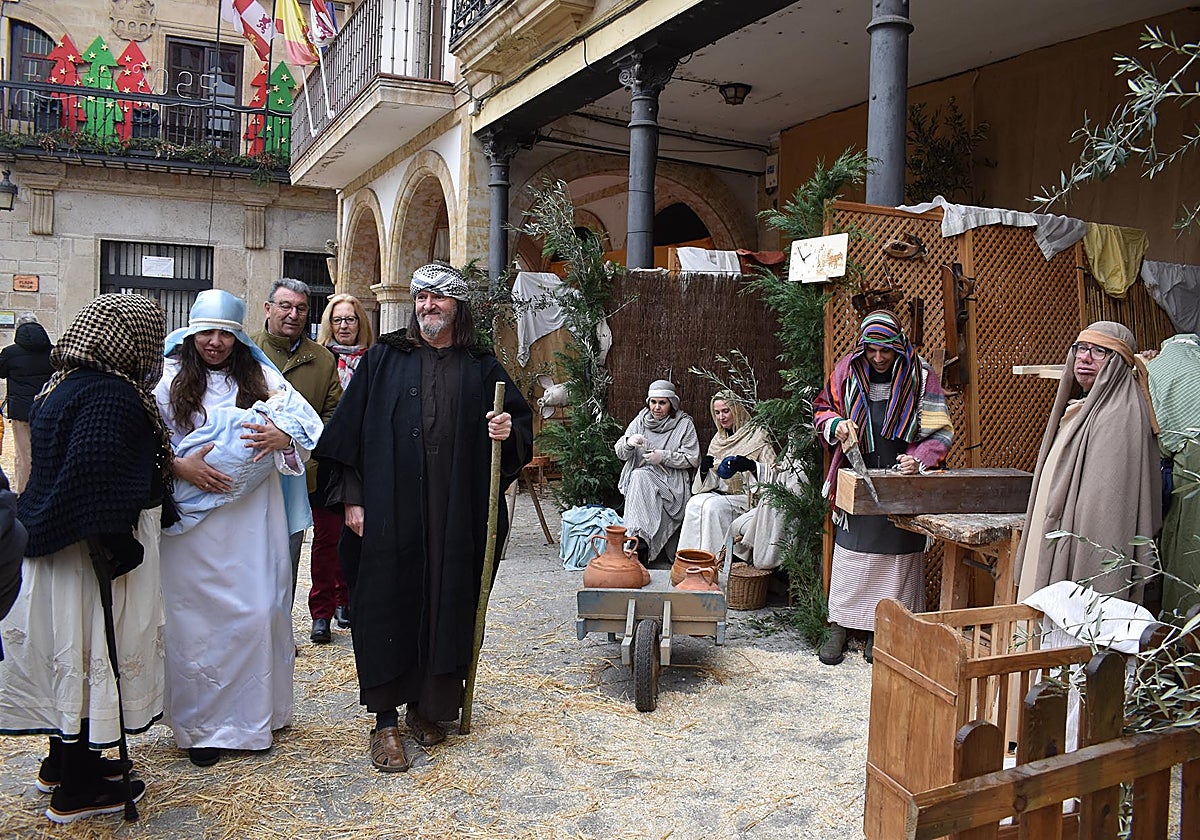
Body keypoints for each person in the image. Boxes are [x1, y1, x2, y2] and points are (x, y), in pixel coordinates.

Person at [314, 263, 532, 773]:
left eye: (438, 298)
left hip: (454, 516)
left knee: (445, 601)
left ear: (458, 307)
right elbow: (346, 435)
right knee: (387, 605)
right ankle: (385, 722)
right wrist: (351, 499)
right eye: (421, 297)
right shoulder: (385, 359)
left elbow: (518, 425)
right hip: (388, 512)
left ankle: (427, 708)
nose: (428, 305)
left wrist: (506, 429)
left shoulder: (481, 364)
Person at [0, 294, 172, 823]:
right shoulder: (112, 394)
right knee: (87, 651)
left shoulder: (65, 383)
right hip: (86, 553)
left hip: (63, 545)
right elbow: (94, 466)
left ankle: (65, 759)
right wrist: (114, 535)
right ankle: (75, 787)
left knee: (71, 653)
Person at [156, 290, 320, 768]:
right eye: (205, 332)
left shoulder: (261, 376)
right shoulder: (166, 383)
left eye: (224, 333)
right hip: (193, 528)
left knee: (256, 611)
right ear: (190, 334)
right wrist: (179, 467)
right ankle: (203, 727)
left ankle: (253, 719)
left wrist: (281, 436)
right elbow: (145, 440)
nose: (214, 342)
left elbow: (302, 425)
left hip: (252, 519)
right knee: (198, 623)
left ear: (237, 336)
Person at [813, 310, 953, 665]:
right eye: (872, 350)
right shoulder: (846, 371)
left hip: (901, 482)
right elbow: (821, 410)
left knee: (896, 557)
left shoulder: (921, 377)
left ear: (899, 348)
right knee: (851, 554)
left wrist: (918, 460)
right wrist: (838, 425)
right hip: (856, 478)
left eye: (886, 352)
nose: (878, 358)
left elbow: (940, 431)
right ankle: (840, 626)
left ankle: (883, 630)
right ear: (863, 347)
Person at [1014, 321, 1161, 604]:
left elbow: (1104, 520)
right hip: (1054, 535)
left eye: (1099, 352)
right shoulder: (1084, 408)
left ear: (1118, 362)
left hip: (1078, 552)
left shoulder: (1120, 416)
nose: (1085, 358)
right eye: (1081, 349)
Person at [252, 278, 342, 618]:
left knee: (285, 562)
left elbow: (334, 416)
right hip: (251, 475)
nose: (293, 314)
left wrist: (296, 441)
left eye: (301, 308)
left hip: (298, 478)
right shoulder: (246, 352)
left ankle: (278, 633)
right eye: (285, 306)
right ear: (268, 308)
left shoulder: (321, 359)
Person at [306, 294, 375, 642]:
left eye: (350, 319)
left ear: (360, 322)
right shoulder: (320, 361)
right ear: (329, 324)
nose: (344, 326)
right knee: (326, 538)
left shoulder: (374, 361)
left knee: (358, 536)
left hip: (363, 463)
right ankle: (321, 610)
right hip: (327, 461)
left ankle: (347, 600)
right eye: (338, 320)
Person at [678, 392, 795, 569]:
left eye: (726, 411)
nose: (721, 417)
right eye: (717, 413)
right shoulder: (718, 440)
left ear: (737, 410)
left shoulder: (756, 434)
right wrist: (704, 471)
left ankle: (714, 565)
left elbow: (774, 473)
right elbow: (715, 480)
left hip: (749, 498)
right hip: (723, 494)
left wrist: (750, 466)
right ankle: (688, 564)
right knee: (694, 503)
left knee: (712, 508)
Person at [615, 380, 701, 565]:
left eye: (662, 403)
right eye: (653, 402)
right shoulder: (640, 420)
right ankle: (639, 542)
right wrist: (629, 442)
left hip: (671, 482)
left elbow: (693, 458)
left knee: (640, 477)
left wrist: (663, 457)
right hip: (642, 480)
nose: (657, 407)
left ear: (672, 404)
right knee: (639, 476)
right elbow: (620, 453)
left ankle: (635, 542)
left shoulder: (683, 424)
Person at [1145, 334, 1200, 614]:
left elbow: (1161, 436)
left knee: (1187, 544)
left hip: (1193, 458)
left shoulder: (1154, 370)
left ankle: (1184, 633)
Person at [0, 313, 54, 492]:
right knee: (47, 454)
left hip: (21, 411)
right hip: (47, 409)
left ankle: (24, 495)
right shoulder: (52, 351)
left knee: (24, 457)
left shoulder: (10, 352)